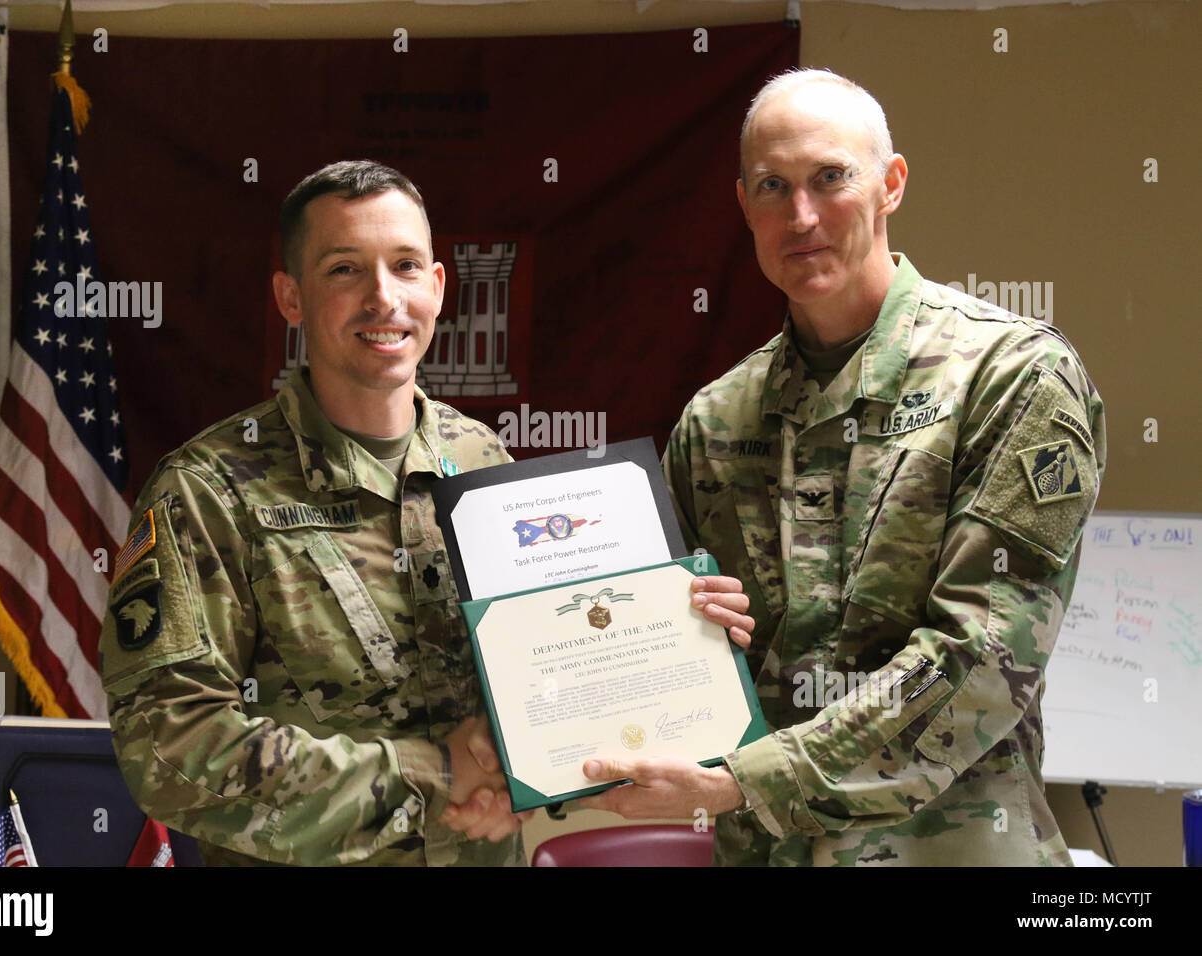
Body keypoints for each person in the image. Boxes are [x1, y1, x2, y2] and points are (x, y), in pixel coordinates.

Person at [99, 160, 754, 866]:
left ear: (438, 287)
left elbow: (549, 680)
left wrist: (679, 634)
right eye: (344, 270)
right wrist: (429, 777)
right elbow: (165, 748)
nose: (383, 298)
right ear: (290, 297)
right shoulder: (207, 490)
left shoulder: (483, 462)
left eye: (405, 265)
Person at [579, 70, 1107, 866]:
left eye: (831, 177)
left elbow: (981, 662)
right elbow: (678, 662)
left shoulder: (1012, 376)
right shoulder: (714, 422)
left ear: (890, 184)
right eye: (772, 187)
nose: (802, 216)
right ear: (744, 207)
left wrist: (747, 782)